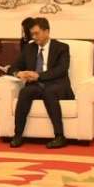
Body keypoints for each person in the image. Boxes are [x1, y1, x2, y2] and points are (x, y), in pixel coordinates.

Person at [8, 17, 73, 149]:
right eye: (32, 34)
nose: (34, 37)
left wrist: (39, 76)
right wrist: (18, 73)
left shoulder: (61, 48)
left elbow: (61, 69)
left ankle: (60, 136)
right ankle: (18, 135)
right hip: (37, 86)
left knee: (49, 92)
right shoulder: (29, 48)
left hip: (57, 85)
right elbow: (13, 67)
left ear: (46, 31)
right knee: (25, 92)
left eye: (37, 33)